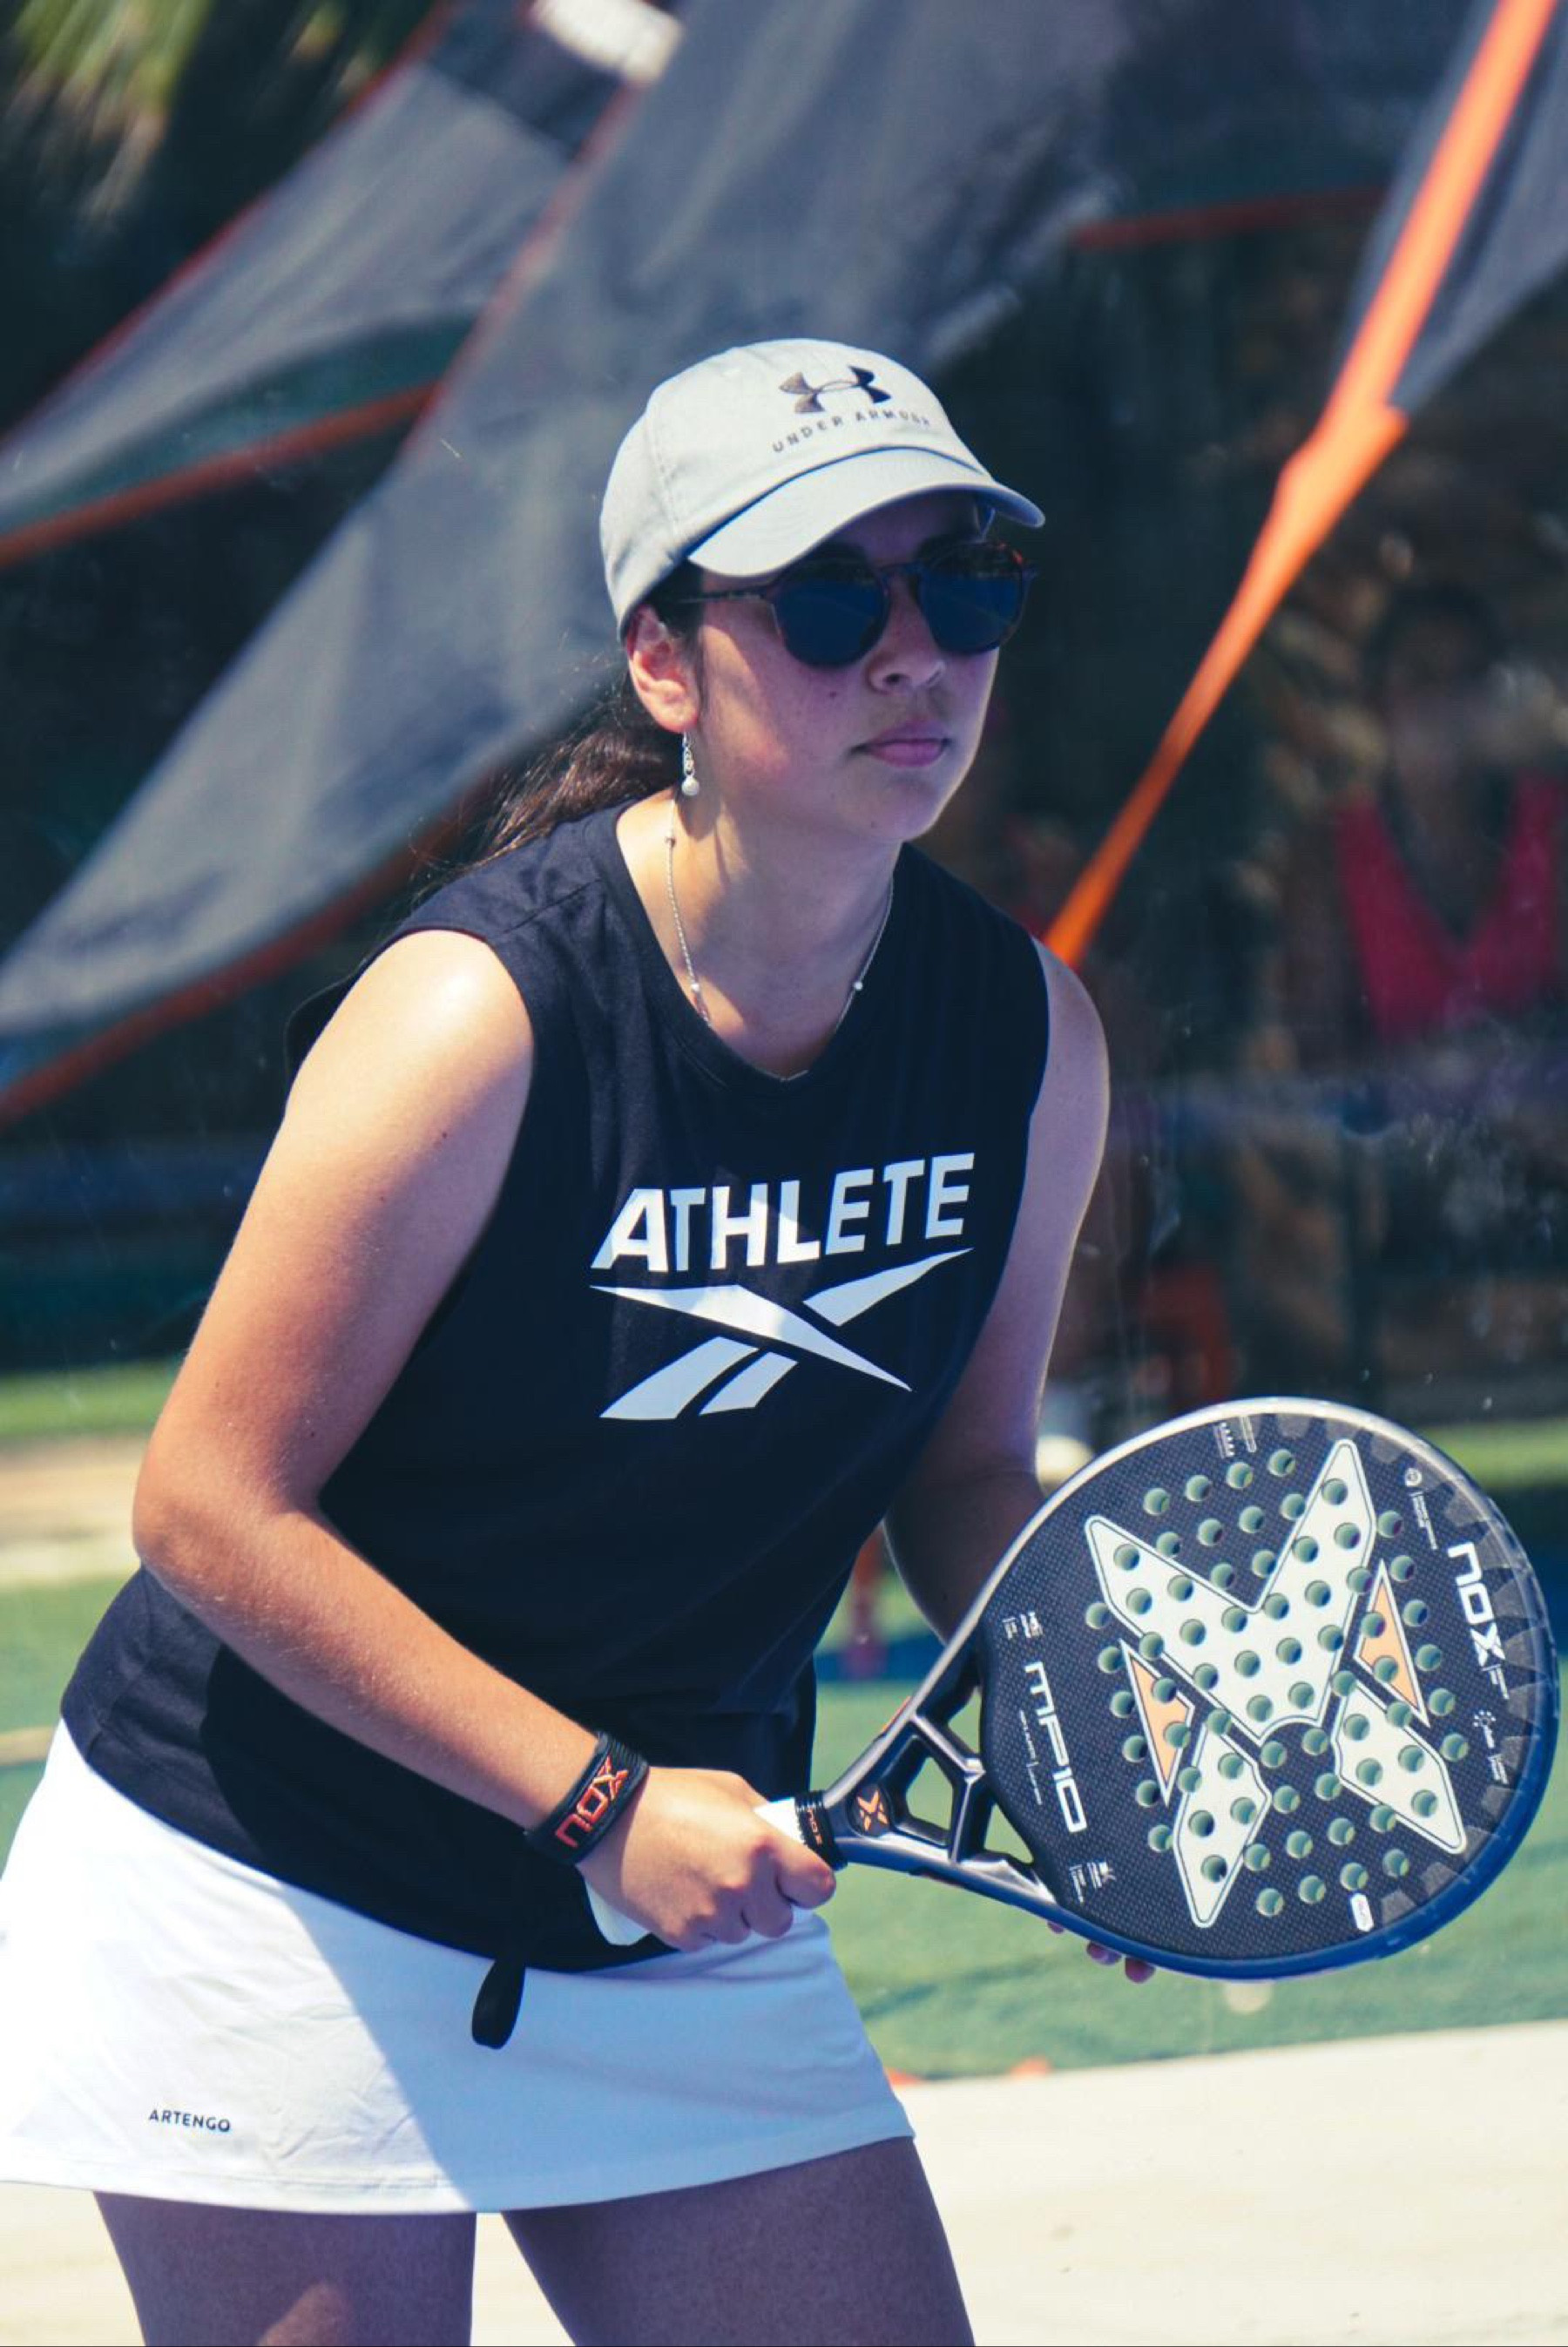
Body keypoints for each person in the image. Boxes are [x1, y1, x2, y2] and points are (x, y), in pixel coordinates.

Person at [0, 339, 1141, 2347]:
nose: (914, 652)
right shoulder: (478, 1015)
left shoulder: (1024, 1036)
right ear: (664, 662)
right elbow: (209, 1505)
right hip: (278, 1885)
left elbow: (964, 1468)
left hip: (674, 1898)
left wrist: (1074, 1729)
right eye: (825, 599)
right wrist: (605, 1803)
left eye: (963, 582)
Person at [1239, 578, 1568, 1390]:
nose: (1444, 702)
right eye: (1421, 676)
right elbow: (1322, 1066)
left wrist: (1510, 1073)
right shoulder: (1328, 857)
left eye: (1468, 677)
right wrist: (1448, 1075)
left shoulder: (1555, 826)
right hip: (1404, 1168)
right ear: (1376, 699)